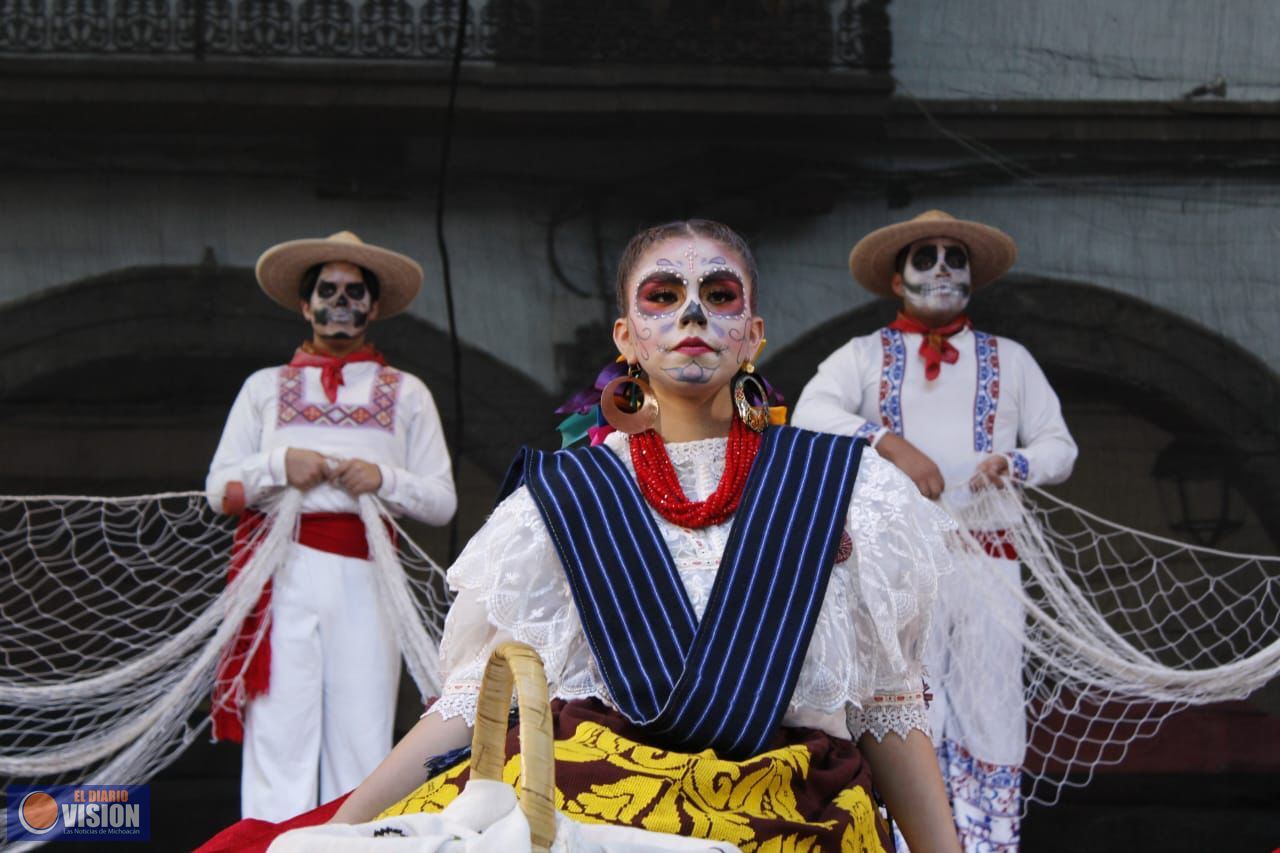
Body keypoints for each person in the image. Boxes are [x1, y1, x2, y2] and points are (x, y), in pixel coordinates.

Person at [288, 219, 961, 852]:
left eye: (718, 295)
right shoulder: (562, 498)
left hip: (790, 814)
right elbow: (470, 700)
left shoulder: (850, 492)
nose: (692, 314)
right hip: (593, 816)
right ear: (626, 336)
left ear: (753, 334)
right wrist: (337, 829)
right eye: (663, 296)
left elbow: (887, 709)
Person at [791, 210, 1078, 851]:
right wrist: (892, 445)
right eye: (927, 256)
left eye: (957, 257)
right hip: (901, 566)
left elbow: (1061, 447)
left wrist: (1015, 462)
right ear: (897, 280)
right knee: (904, 701)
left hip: (989, 558)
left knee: (992, 704)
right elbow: (811, 415)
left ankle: (987, 842)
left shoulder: (1011, 359)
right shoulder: (863, 356)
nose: (944, 268)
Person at [206, 230, 457, 821]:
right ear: (305, 304)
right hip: (281, 574)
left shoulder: (407, 393)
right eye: (327, 290)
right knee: (279, 737)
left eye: (354, 292)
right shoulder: (263, 388)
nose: (340, 303)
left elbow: (442, 501)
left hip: (368, 580)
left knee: (362, 731)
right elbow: (220, 491)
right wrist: (277, 466)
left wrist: (384, 479)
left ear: (374, 306)